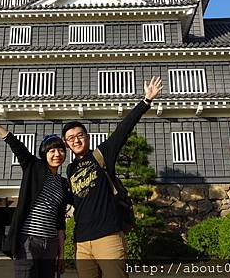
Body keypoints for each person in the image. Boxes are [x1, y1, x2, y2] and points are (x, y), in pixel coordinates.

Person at [64, 76, 163, 278]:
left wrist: (146, 101)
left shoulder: (101, 154)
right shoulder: (70, 169)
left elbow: (122, 130)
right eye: (71, 138)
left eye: (80, 135)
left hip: (108, 236)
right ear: (67, 144)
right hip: (81, 242)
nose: (76, 140)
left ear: (87, 137)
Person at [0, 102, 72, 278]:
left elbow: (60, 221)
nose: (57, 154)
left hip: (51, 243)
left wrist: (61, 254)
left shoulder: (62, 183)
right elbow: (15, 143)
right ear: (44, 153)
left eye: (61, 150)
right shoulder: (34, 167)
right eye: (52, 150)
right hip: (28, 241)